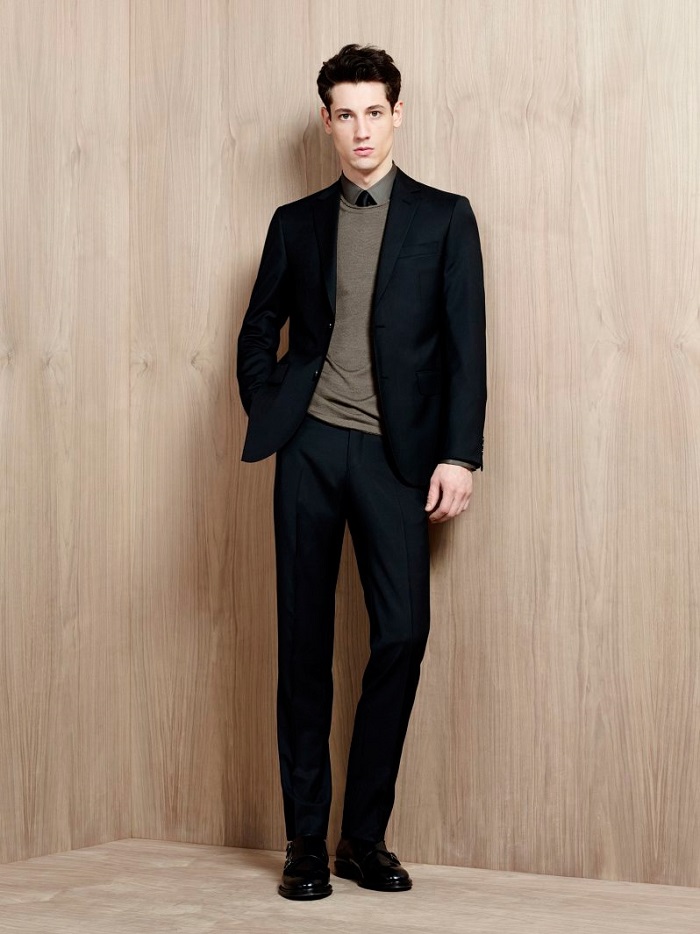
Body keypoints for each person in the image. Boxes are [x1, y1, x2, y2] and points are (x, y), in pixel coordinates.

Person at [236, 43, 487, 900]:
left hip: (397, 459)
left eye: (374, 111)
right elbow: (258, 327)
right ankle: (306, 843)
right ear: (327, 123)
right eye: (345, 114)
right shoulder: (295, 222)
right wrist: (274, 407)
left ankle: (363, 838)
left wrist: (459, 453)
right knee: (302, 647)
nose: (361, 130)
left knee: (402, 635)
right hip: (309, 451)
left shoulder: (445, 218)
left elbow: (466, 348)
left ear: (397, 114)